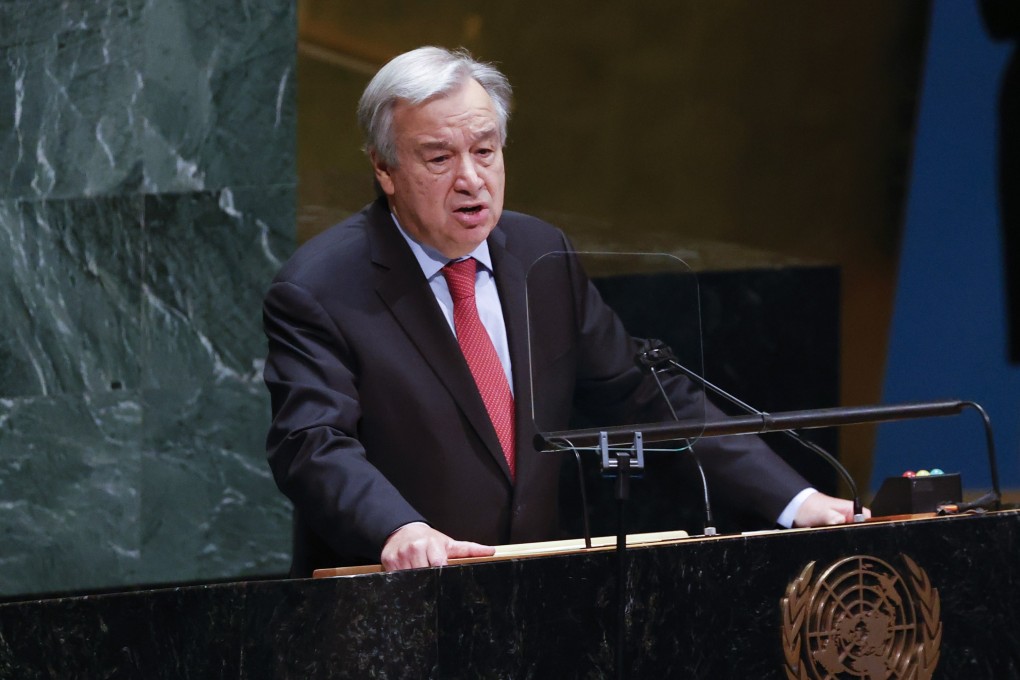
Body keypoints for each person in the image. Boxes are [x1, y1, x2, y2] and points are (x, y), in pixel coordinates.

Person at [263, 46, 864, 577]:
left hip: (534, 597)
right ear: (384, 169)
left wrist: (795, 501)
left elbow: (644, 393)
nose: (472, 179)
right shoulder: (322, 288)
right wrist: (397, 529)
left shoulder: (539, 255)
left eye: (485, 150)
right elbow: (312, 442)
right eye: (439, 159)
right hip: (390, 607)